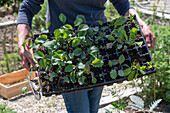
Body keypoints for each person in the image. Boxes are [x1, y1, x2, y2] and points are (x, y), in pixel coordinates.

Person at [17, 0, 156, 113]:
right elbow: (27, 9)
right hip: (64, 52)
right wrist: (23, 42)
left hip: (98, 45)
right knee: (80, 109)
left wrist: (140, 22)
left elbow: (122, 4)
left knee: (93, 105)